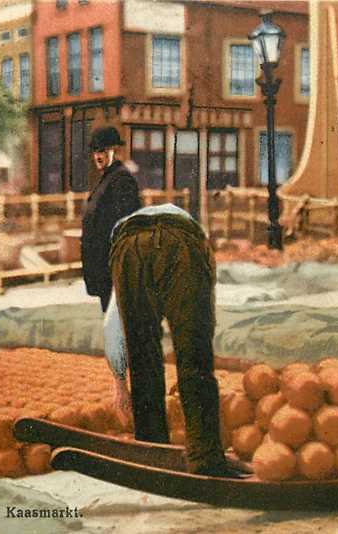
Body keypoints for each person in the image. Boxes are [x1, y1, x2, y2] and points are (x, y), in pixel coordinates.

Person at [103, 202, 246, 478]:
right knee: (194, 355)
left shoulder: (128, 236)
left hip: (126, 245)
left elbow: (113, 321)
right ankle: (205, 460)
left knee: (142, 357)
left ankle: (151, 454)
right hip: (179, 240)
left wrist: (119, 383)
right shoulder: (197, 242)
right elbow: (202, 324)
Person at [81, 126, 141, 312]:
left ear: (116, 151)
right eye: (96, 151)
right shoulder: (106, 179)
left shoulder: (121, 179)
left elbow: (125, 225)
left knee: (118, 321)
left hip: (113, 267)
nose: (98, 156)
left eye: (104, 150)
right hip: (101, 266)